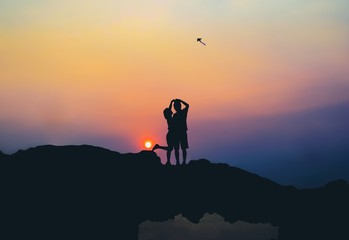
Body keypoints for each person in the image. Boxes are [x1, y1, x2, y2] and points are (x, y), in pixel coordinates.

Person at [152, 100, 175, 165]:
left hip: (170, 134)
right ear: (169, 113)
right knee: (170, 148)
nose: (172, 112)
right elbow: (169, 110)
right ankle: (168, 161)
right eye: (170, 112)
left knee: (170, 149)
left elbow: (169, 109)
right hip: (170, 134)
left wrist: (171, 103)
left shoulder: (169, 117)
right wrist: (171, 103)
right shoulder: (169, 118)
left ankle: (168, 161)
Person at [172, 98, 189, 165]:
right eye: (174, 106)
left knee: (183, 148)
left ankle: (183, 162)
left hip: (182, 132)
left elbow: (187, 105)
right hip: (177, 133)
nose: (174, 107)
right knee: (177, 148)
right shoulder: (175, 115)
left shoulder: (183, 112)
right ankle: (178, 162)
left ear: (178, 106)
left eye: (175, 106)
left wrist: (180, 100)